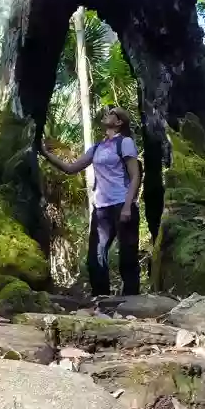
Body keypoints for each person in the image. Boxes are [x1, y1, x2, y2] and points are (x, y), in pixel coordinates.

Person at [38, 107, 142, 296]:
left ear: (119, 122)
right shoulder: (97, 147)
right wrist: (45, 153)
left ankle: (131, 300)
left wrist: (128, 205)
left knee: (127, 255)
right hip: (102, 208)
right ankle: (101, 297)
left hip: (122, 205)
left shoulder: (125, 143)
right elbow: (71, 168)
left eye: (112, 112)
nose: (106, 114)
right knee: (95, 257)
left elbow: (135, 176)